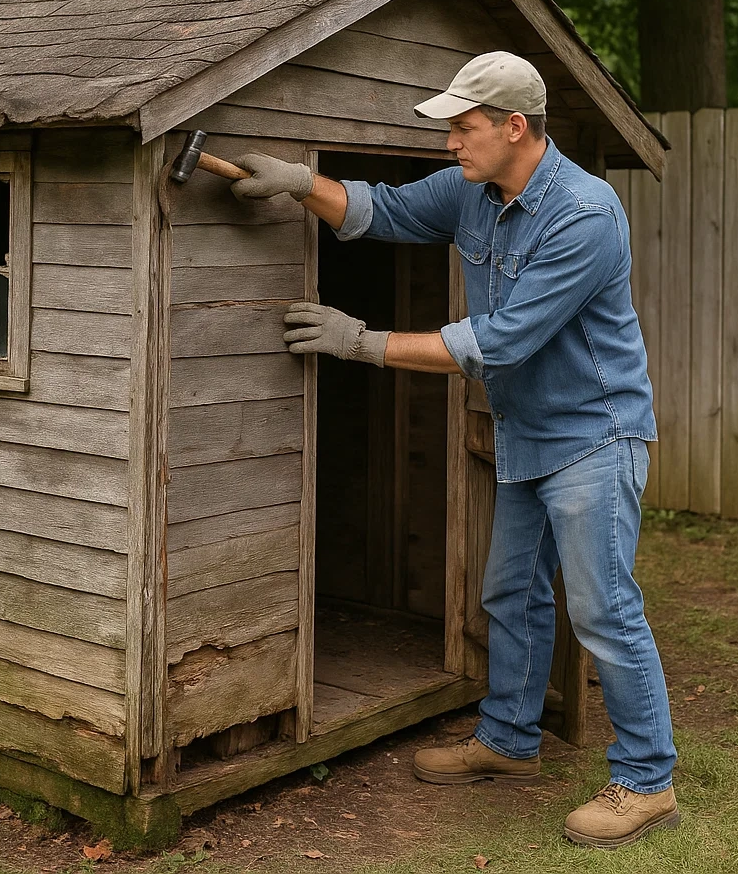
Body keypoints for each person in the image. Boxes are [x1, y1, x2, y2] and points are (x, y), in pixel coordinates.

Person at [229, 51, 679, 850]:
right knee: (510, 594)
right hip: (527, 433)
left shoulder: (584, 212)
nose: (450, 145)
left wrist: (362, 342)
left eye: (463, 129)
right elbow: (386, 210)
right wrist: (304, 183)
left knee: (602, 608)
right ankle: (508, 742)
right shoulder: (473, 190)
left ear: (515, 127)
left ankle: (647, 781)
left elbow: (502, 341)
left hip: (594, 435)